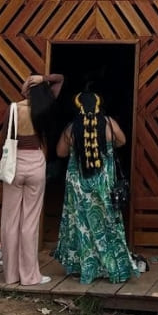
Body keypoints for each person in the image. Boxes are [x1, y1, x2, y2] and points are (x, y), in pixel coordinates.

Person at [54, 91, 138, 284]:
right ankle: (112, 267)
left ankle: (86, 268)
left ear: (77, 108)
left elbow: (60, 152)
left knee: (83, 227)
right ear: (98, 106)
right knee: (108, 224)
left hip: (78, 186)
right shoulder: (109, 124)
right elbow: (122, 141)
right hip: (104, 184)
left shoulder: (71, 129)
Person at [0, 73, 64, 286]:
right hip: (36, 163)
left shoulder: (14, 109)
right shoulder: (45, 108)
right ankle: (30, 276)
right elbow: (60, 79)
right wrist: (43, 78)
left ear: (25, 89)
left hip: (14, 165)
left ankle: (11, 275)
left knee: (10, 222)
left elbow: (4, 141)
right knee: (30, 223)